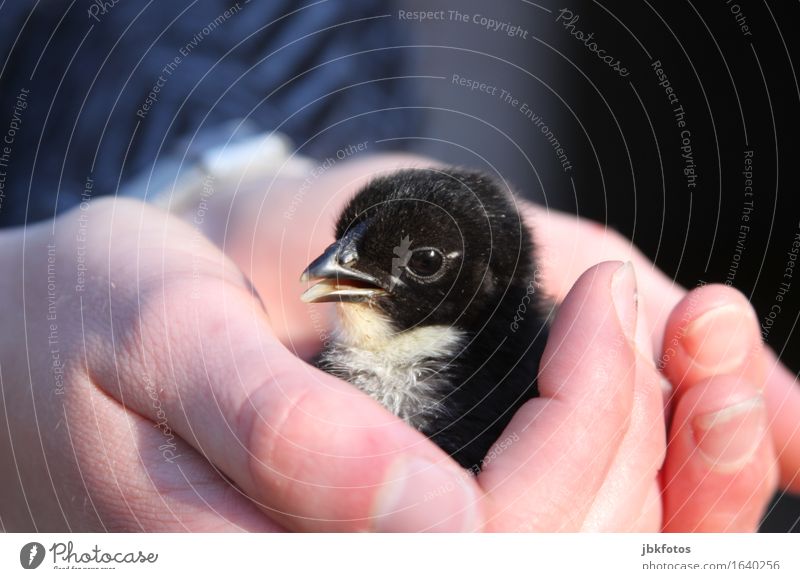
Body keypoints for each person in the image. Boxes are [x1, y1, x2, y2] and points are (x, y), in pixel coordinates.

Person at [0, 1, 797, 532]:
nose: (331, 268)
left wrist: (214, 183)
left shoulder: (509, 368)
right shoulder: (324, 361)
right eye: (348, 241)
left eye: (417, 260)